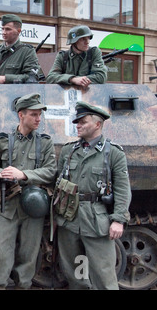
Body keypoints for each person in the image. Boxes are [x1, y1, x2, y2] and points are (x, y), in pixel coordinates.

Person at [0, 93, 57, 289]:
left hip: (34, 206)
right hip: (6, 205)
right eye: (34, 114)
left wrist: (23, 174)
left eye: (40, 114)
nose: (38, 119)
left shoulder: (45, 142)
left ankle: (23, 286)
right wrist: (0, 174)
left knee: (28, 255)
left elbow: (50, 171)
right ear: (20, 115)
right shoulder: (4, 141)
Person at [53, 101, 131, 290]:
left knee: (104, 276)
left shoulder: (113, 153)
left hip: (96, 220)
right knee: (74, 275)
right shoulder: (68, 151)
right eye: (77, 122)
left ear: (97, 124)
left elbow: (122, 188)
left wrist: (119, 219)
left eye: (83, 122)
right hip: (69, 219)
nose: (77, 125)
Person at [0, 14, 42, 84]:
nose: (4, 32)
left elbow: (31, 77)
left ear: (18, 31)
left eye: (8, 29)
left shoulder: (27, 51)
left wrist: (6, 79)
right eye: (2, 29)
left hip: (15, 93)